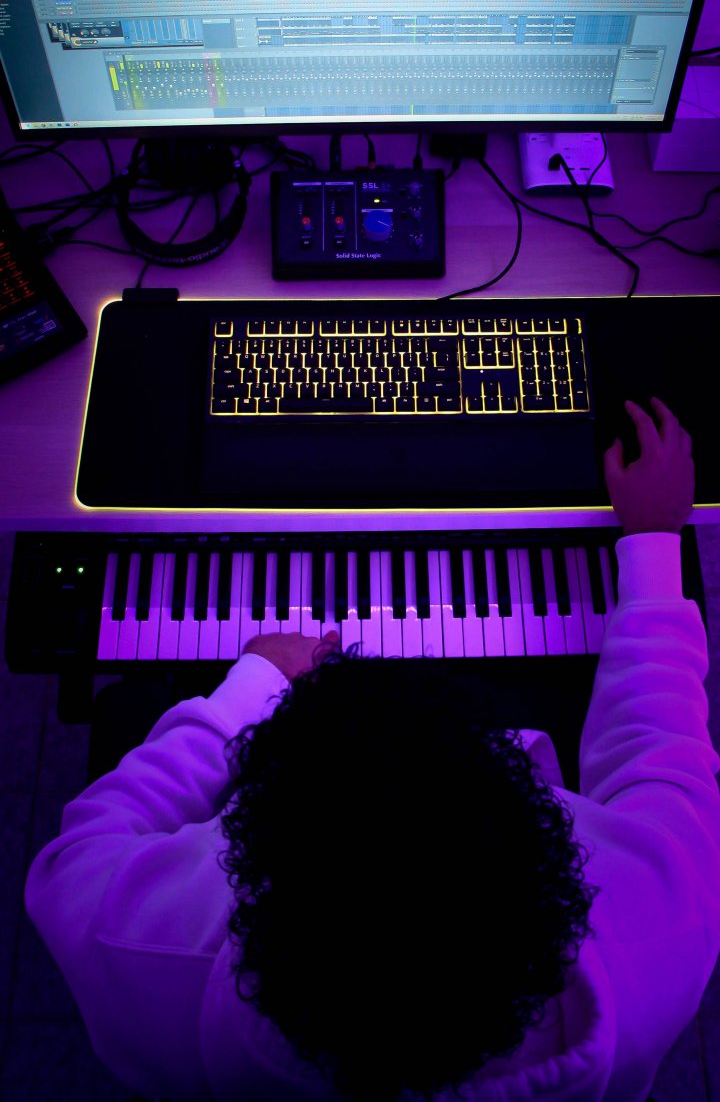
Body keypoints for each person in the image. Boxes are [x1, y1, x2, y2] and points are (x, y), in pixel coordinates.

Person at [24, 398, 720, 1102]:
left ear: (252, 865)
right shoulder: (665, 926)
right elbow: (658, 750)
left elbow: (77, 852)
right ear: (548, 859)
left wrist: (254, 684)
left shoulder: (142, 946)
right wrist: (654, 538)